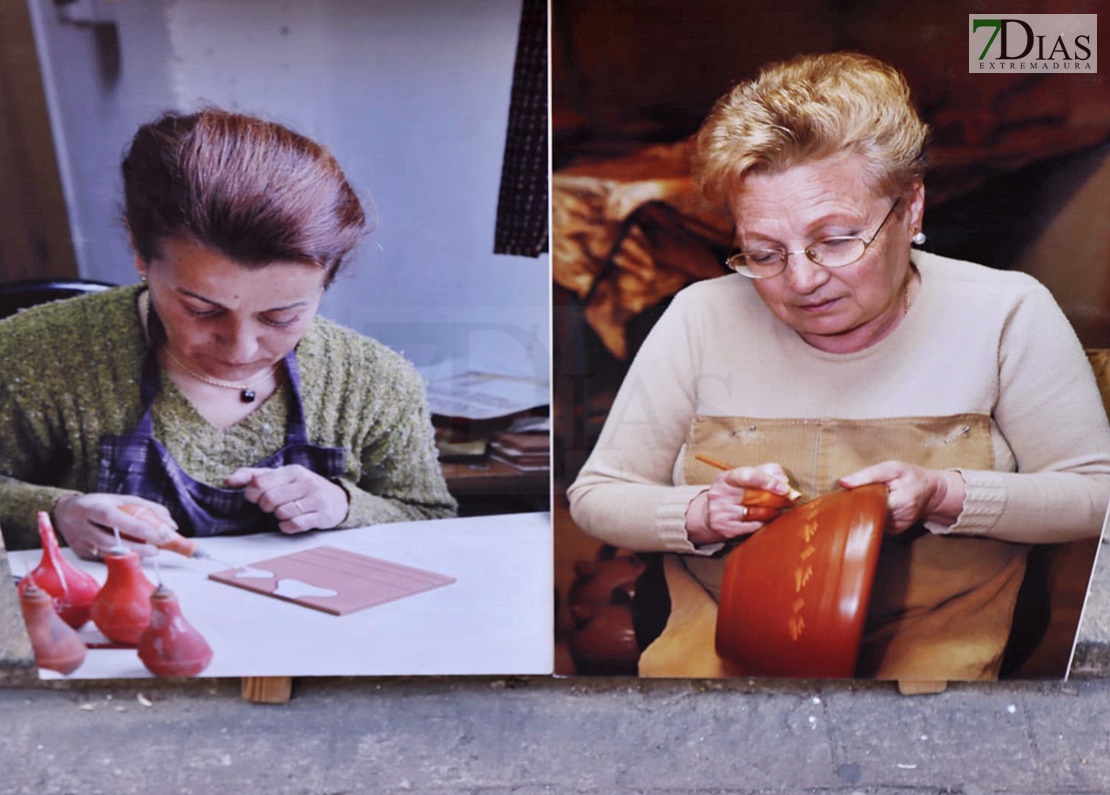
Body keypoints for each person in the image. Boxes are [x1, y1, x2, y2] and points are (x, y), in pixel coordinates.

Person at [567, 52, 1110, 681]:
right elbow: (597, 498)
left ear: (910, 209)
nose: (800, 280)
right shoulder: (700, 316)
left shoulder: (1005, 312)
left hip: (937, 653)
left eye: (834, 240)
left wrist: (945, 494)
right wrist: (700, 513)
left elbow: (1094, 496)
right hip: (722, 643)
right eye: (764, 252)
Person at [0, 108, 457, 559]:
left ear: (328, 279)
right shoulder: (34, 354)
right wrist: (56, 511)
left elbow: (432, 519)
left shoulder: (375, 382)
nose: (241, 348)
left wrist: (345, 505)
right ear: (140, 252)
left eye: (280, 318)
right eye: (200, 309)